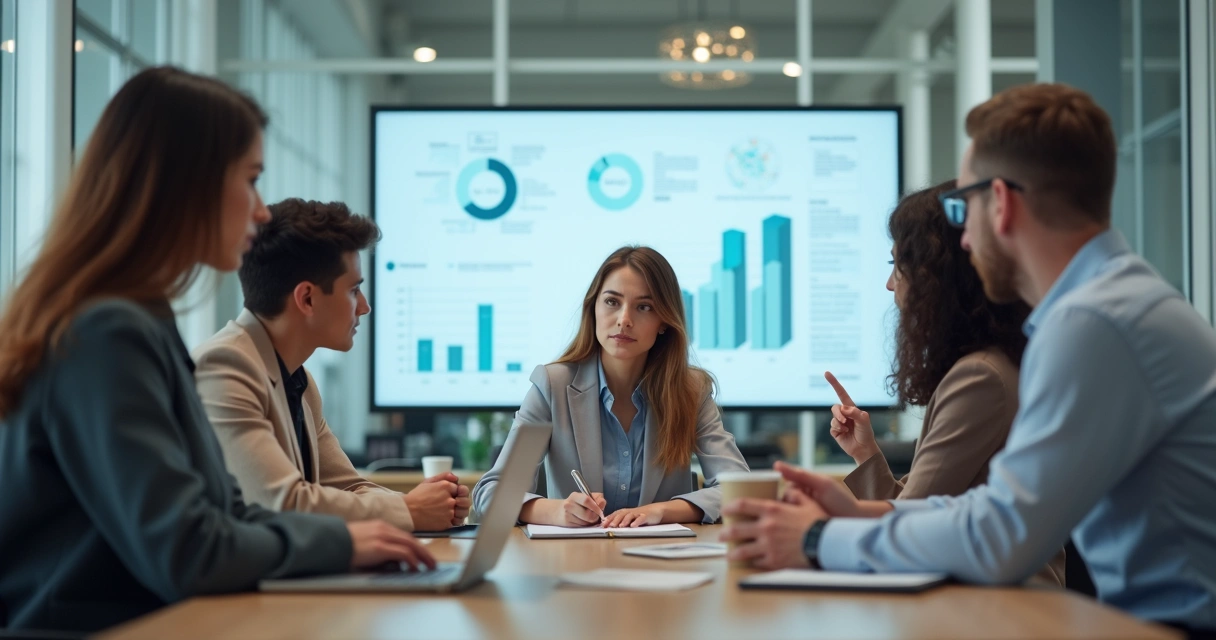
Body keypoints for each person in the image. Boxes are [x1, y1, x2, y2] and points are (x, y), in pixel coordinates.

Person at [720, 83, 1216, 636]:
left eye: (964, 206)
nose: (962, 238)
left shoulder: (1091, 323)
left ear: (1000, 202)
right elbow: (996, 508)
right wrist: (855, 513)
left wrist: (816, 539)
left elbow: (1002, 536)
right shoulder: (1113, 303)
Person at [0, 67, 434, 634]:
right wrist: (340, 540)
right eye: (251, 179)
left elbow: (226, 514)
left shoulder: (139, 321)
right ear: (186, 184)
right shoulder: (107, 332)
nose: (260, 210)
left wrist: (354, 536)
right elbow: (188, 549)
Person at [825, 181, 1063, 585]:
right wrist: (866, 456)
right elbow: (915, 513)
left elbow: (907, 525)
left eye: (895, 266)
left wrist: (817, 531)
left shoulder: (980, 376)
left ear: (933, 275)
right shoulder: (988, 363)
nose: (889, 285)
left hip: (1003, 608)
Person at [193, 198, 470, 532]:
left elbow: (347, 487)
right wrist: (409, 510)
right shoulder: (225, 367)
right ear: (307, 298)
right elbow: (281, 502)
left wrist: (430, 503)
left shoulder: (299, 380)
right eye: (354, 290)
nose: (364, 307)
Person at [472, 246, 749, 527]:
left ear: (664, 322)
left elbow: (742, 491)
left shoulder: (691, 391)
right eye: (612, 302)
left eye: (644, 307)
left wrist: (662, 511)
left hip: (664, 562)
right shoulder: (552, 386)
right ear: (593, 308)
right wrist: (555, 512)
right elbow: (489, 495)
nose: (624, 320)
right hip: (574, 562)